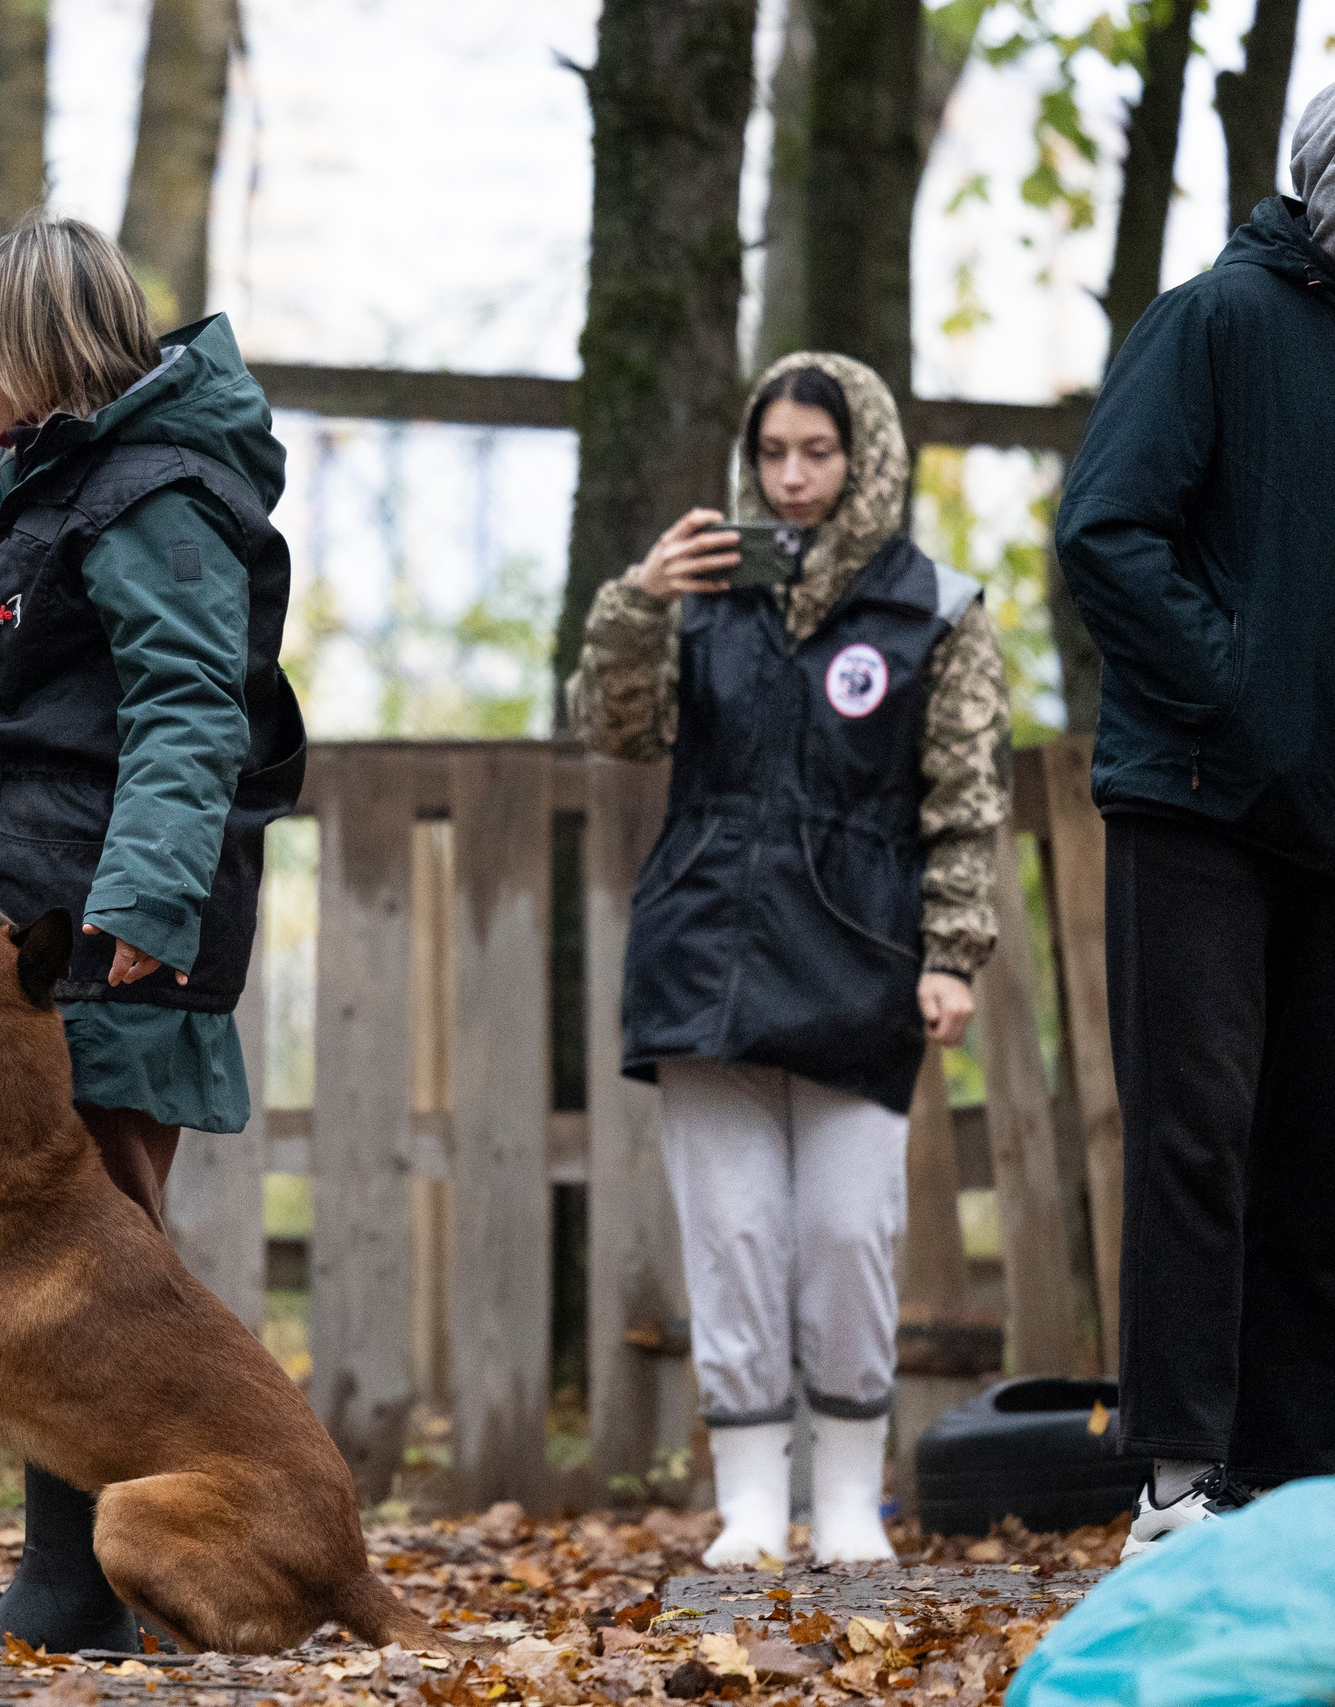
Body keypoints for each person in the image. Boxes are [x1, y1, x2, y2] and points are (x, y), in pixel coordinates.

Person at [0, 215, 306, 1650]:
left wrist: (139, 903)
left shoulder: (156, 492)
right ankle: (63, 1585)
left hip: (102, 931)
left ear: (50, 346)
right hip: (12, 909)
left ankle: (85, 1589)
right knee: (20, 1274)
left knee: (100, 1260)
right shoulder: (37, 488)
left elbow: (193, 706)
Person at [568, 351, 1009, 1569]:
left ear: (865, 457)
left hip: (861, 961)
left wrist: (953, 951)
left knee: (846, 1237)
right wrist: (640, 599)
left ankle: (851, 1498)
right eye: (772, 454)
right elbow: (613, 729)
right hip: (703, 953)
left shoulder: (935, 608)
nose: (793, 477)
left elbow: (966, 800)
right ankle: (754, 1504)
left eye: (818, 452)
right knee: (735, 1238)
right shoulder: (703, 593)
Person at [1054, 84, 1335, 1557]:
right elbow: (1107, 528)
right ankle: (1178, 1474)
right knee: (1198, 1134)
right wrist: (1238, 690)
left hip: (1327, 819)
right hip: (1200, 802)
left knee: (1312, 1146)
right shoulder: (1214, 321)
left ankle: (1298, 1484)